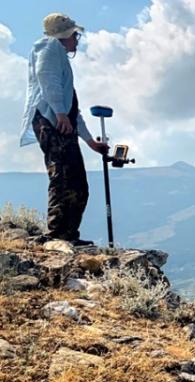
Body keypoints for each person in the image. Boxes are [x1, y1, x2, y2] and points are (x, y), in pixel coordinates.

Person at [19, 13, 108, 246]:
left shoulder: (56, 55)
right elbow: (46, 79)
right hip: (51, 121)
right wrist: (59, 112)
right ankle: (58, 234)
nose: (76, 39)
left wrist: (90, 141)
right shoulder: (49, 48)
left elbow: (72, 110)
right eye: (74, 35)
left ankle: (67, 233)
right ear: (65, 35)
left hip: (56, 120)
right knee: (64, 177)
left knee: (75, 180)